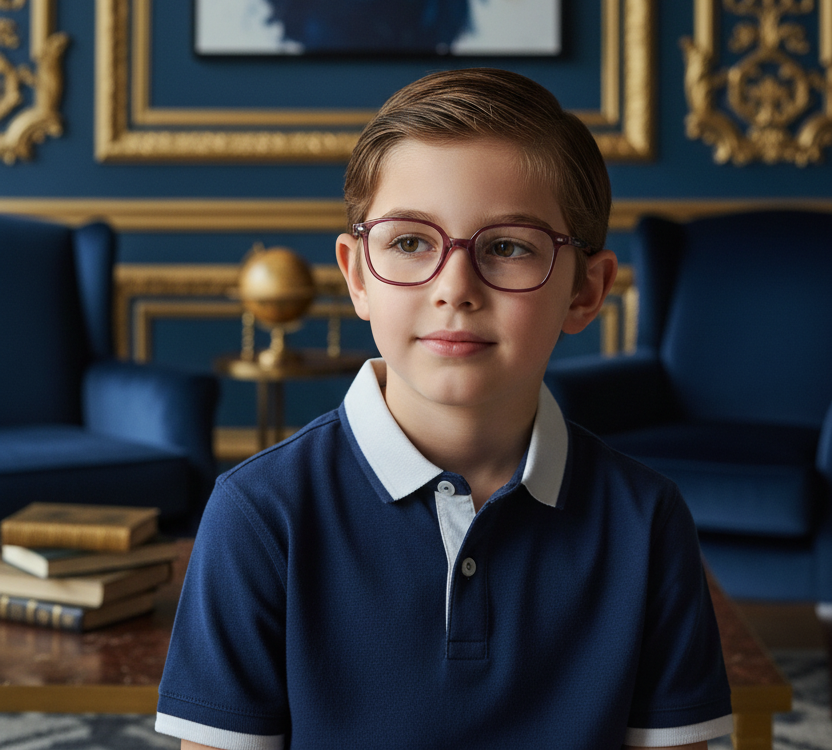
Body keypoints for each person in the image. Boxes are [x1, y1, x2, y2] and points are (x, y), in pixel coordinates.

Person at [156, 68, 732, 750]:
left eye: (510, 246)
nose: (455, 288)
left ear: (586, 290)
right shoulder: (258, 513)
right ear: (357, 274)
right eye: (409, 242)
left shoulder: (647, 520)